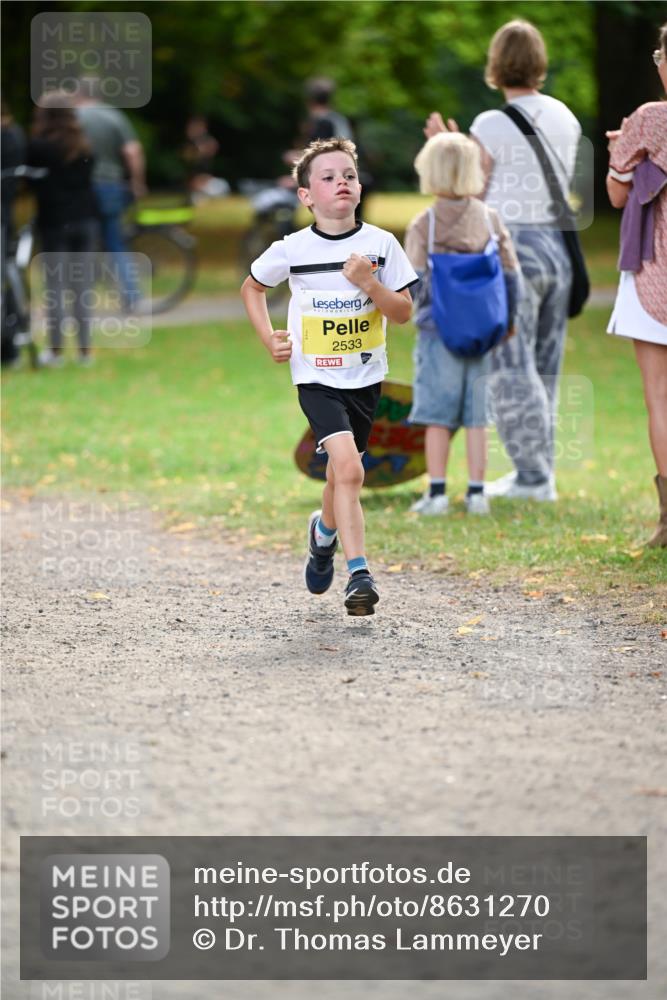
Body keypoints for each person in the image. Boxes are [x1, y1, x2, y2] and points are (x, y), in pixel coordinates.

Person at [241, 138, 417, 616]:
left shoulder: (381, 245)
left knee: (342, 473)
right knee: (353, 470)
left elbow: (402, 312)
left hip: (365, 378)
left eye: (349, 175)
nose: (342, 181)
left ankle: (323, 536)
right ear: (306, 196)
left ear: (359, 189)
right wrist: (267, 337)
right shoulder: (292, 249)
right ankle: (359, 574)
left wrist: (368, 282)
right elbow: (252, 287)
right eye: (328, 176)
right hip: (315, 379)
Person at [425, 19, 582, 502]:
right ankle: (536, 473)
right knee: (544, 367)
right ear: (540, 62)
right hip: (558, 248)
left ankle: (535, 480)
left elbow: (473, 190)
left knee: (512, 368)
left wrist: (444, 147)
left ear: (496, 64)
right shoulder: (566, 116)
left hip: (514, 252)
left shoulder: (490, 124)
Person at [405, 132, 521, 517]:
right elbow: (510, 273)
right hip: (484, 331)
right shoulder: (489, 218)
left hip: (439, 332)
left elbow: (415, 280)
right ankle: (477, 493)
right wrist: (509, 318)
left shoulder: (425, 224)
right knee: (477, 416)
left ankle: (436, 494)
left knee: (437, 415)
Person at [605, 23, 667, 547]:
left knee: (659, 398)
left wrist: (623, 152)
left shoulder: (649, 119)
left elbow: (619, 195)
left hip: (654, 269)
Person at [26, 92, 99, 366]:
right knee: (82, 288)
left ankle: (55, 350)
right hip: (85, 220)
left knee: (55, 289)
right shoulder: (83, 146)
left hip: (55, 222)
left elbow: (34, 185)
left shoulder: (38, 147)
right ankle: (84, 351)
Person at [75, 76, 146, 308]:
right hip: (111, 186)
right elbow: (133, 151)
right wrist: (137, 182)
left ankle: (82, 298)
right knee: (115, 243)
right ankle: (132, 296)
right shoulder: (114, 116)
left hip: (82, 188)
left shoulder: (74, 118)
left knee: (84, 242)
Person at [1, 99, 26, 366]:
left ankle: (9, 343)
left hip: (2, 219)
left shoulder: (8, 137)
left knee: (4, 281)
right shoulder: (13, 135)